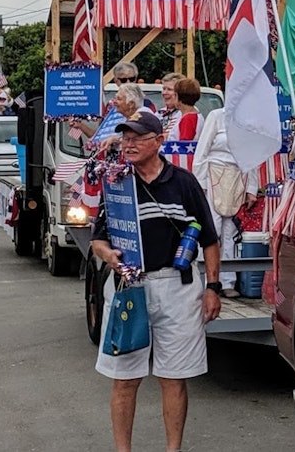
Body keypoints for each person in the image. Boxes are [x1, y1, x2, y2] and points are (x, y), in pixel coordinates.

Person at [90, 112, 222, 452]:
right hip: (128, 289)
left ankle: (172, 449)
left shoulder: (184, 182)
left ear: (158, 141)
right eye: (125, 138)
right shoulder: (117, 182)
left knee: (173, 377)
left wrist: (213, 287)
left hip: (176, 287)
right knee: (125, 378)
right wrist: (108, 256)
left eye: (136, 138)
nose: (128, 144)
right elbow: (98, 239)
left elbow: (209, 238)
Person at [192, 108, 259, 298]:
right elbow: (202, 149)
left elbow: (252, 155)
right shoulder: (215, 116)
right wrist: (200, 182)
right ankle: (206, 281)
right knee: (210, 229)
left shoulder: (249, 119)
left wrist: (251, 189)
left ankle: (228, 282)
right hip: (214, 173)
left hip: (239, 175)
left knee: (230, 232)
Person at [165, 78, 204, 142]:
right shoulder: (193, 116)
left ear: (179, 97)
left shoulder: (188, 119)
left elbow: (184, 145)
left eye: (175, 95)